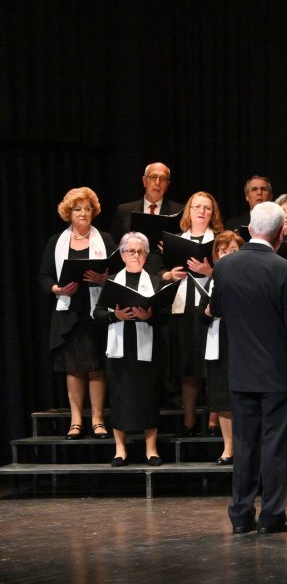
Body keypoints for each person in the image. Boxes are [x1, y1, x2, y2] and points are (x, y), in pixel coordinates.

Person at [209, 201, 287, 535]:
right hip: (276, 376)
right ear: (281, 233)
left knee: (244, 447)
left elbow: (216, 309)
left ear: (248, 230)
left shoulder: (225, 267)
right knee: (274, 448)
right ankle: (272, 515)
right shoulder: (285, 270)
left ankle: (241, 516)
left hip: (241, 373)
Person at [39, 187, 112, 441]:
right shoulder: (55, 242)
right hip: (68, 310)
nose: (83, 213)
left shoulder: (105, 239)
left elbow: (119, 275)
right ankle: (76, 420)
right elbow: (43, 277)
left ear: (94, 212)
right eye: (78, 209)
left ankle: (98, 419)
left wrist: (104, 279)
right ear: (69, 213)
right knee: (74, 368)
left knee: (96, 367)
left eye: (87, 209)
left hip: (97, 311)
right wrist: (57, 288)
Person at [94, 232, 167, 466]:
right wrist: (114, 316)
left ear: (146, 255)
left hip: (148, 348)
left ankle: (151, 449)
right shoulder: (113, 281)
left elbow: (165, 318)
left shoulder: (156, 281)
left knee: (149, 395)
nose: (136, 255)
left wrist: (149, 316)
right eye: (131, 251)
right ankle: (120, 449)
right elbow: (97, 313)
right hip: (120, 349)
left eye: (141, 251)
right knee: (120, 396)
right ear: (122, 255)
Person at [161, 191, 223, 436]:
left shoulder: (219, 240)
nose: (202, 211)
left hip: (210, 307)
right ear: (188, 211)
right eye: (197, 206)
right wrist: (169, 275)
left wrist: (210, 271)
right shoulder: (175, 240)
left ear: (213, 213)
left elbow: (232, 274)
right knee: (188, 367)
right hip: (183, 307)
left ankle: (214, 420)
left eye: (207, 208)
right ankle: (189, 421)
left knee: (213, 364)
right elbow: (160, 272)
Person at [199, 230, 245, 465]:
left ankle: (246, 448)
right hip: (219, 344)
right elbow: (201, 317)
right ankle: (228, 448)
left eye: (233, 251)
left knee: (244, 398)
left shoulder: (248, 278)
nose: (227, 255)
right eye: (223, 251)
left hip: (243, 344)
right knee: (223, 398)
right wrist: (208, 310)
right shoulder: (211, 282)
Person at [110, 162, 184, 241]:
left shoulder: (179, 211)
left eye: (163, 178)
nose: (157, 182)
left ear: (167, 185)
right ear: (144, 181)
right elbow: (114, 244)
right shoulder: (124, 210)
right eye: (153, 177)